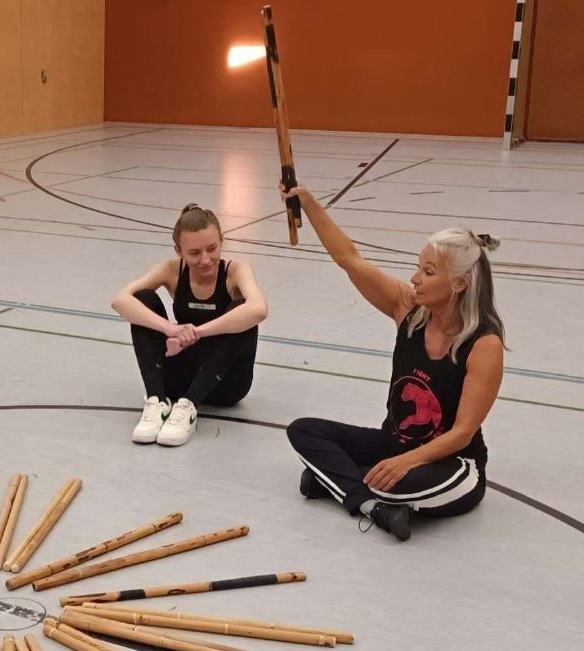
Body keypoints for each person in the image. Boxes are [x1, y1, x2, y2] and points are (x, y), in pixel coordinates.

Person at [282, 184, 505, 541]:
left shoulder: (484, 345)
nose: (415, 279)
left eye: (428, 272)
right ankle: (369, 504)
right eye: (418, 269)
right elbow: (350, 260)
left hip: (454, 463)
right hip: (395, 443)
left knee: (395, 485)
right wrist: (307, 204)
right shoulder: (409, 310)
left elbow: (463, 432)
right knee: (303, 430)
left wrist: (407, 462)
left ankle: (339, 482)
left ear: (459, 283)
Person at [111, 203, 268, 446]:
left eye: (212, 249)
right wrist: (170, 329)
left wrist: (196, 332)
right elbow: (120, 300)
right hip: (180, 378)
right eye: (194, 253)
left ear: (221, 240)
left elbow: (259, 309)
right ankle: (157, 400)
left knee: (243, 311)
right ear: (179, 250)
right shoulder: (171, 270)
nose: (205, 259)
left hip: (225, 384)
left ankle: (188, 406)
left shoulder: (236, 270)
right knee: (143, 299)